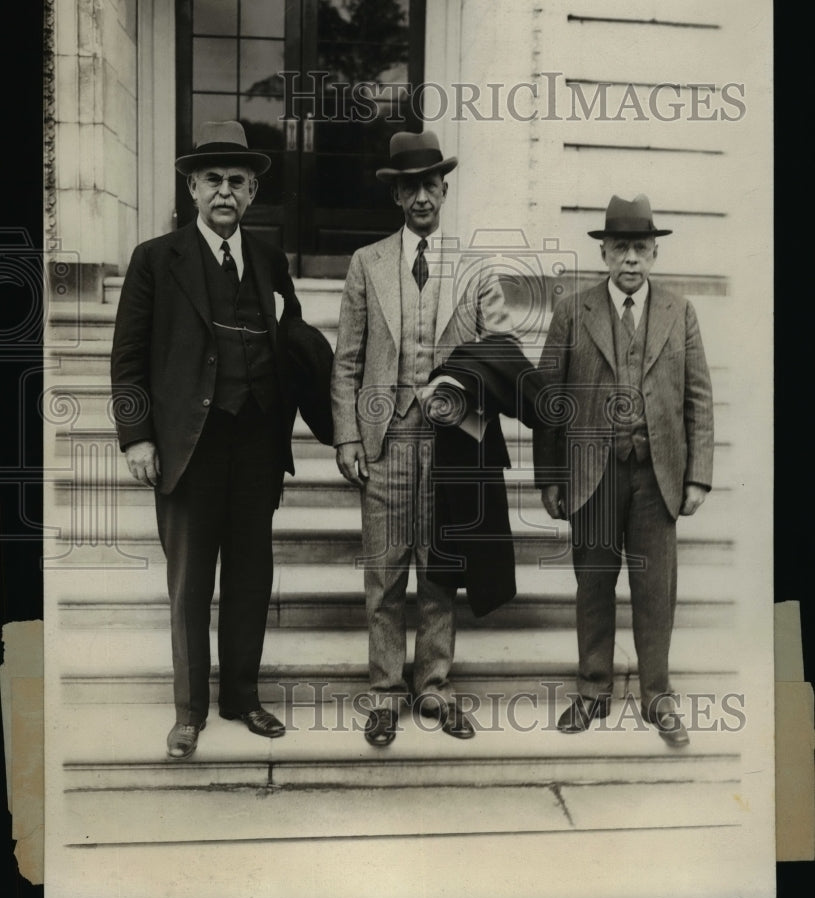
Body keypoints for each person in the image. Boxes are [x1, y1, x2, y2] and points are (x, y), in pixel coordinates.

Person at [111, 120, 304, 760]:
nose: (226, 192)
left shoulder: (272, 261)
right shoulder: (154, 259)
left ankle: (242, 697)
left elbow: (295, 345)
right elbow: (128, 360)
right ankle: (189, 711)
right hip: (187, 446)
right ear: (193, 187)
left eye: (238, 182)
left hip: (256, 444)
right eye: (213, 180)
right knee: (191, 581)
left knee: (251, 576)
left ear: (252, 194)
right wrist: (137, 438)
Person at [330, 131, 516, 746]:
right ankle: (385, 691)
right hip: (385, 439)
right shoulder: (367, 263)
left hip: (451, 442)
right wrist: (347, 439)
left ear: (444, 187)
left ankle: (434, 685)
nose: (420, 197)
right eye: (408, 187)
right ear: (397, 195)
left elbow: (503, 349)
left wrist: (469, 393)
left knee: (440, 569)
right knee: (385, 572)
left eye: (429, 184)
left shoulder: (475, 268)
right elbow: (347, 360)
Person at [532, 194, 714, 747]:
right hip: (592, 474)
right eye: (620, 248)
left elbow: (699, 399)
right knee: (593, 585)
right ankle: (592, 692)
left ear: (654, 254)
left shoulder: (679, 312)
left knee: (656, 590)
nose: (630, 259)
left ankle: (657, 698)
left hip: (657, 475)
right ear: (604, 253)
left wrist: (698, 475)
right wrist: (549, 477)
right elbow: (548, 400)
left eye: (640, 248)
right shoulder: (573, 310)